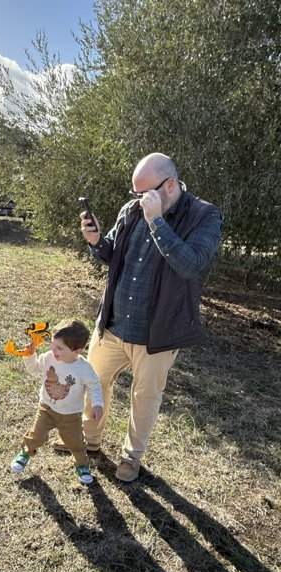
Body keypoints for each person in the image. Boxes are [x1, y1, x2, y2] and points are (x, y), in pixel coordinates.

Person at [55, 153, 222, 482]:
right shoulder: (132, 210)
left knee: (144, 398)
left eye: (144, 193)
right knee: (93, 382)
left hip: (157, 333)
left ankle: (131, 458)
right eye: (135, 194)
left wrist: (157, 221)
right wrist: (95, 242)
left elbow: (189, 265)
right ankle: (89, 439)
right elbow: (112, 253)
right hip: (114, 325)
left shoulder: (204, 215)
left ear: (169, 185)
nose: (137, 200)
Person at [10, 318, 104, 485]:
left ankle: (82, 464)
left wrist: (97, 404)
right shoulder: (48, 357)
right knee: (36, 434)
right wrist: (30, 356)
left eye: (59, 348)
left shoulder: (84, 369)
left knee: (76, 442)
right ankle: (25, 452)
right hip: (46, 407)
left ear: (78, 351)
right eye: (53, 344)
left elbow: (94, 386)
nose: (53, 349)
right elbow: (34, 370)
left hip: (70, 415)